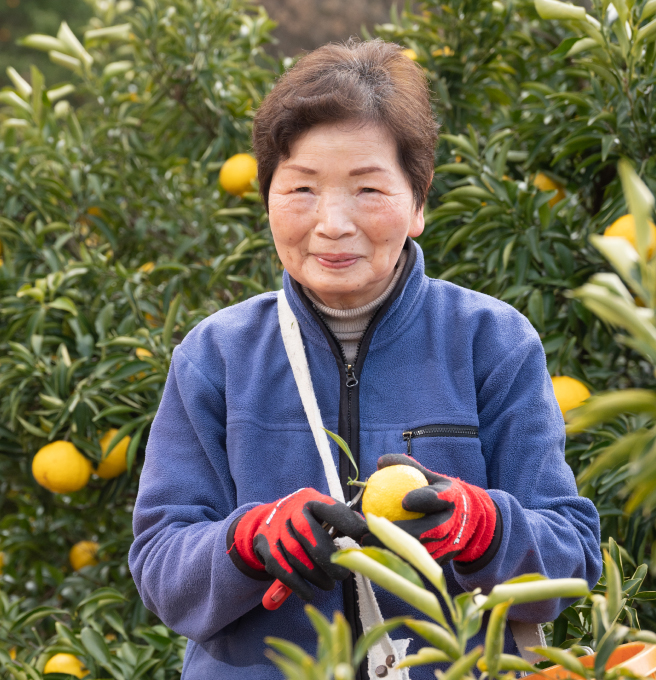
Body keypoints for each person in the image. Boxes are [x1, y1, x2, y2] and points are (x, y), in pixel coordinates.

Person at [129, 39, 601, 680]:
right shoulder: (216, 355)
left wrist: (481, 527)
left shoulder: (490, 342)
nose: (332, 223)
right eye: (301, 188)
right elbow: (160, 567)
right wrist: (248, 542)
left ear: (419, 202)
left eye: (368, 189)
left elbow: (571, 558)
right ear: (267, 197)